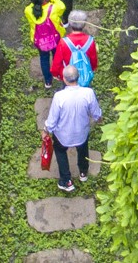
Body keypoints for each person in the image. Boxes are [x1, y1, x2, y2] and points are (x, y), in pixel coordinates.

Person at [44, 62, 103, 192]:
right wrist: (99, 119)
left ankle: (66, 180)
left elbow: (52, 119)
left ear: (64, 79)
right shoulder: (88, 93)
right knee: (83, 149)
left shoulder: (59, 97)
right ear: (78, 77)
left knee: (60, 151)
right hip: (81, 132)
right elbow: (96, 113)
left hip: (63, 135)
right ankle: (83, 172)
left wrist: (46, 130)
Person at [22, 0, 66, 93]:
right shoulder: (53, 8)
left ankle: (48, 81)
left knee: (44, 59)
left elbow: (34, 6)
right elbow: (62, 6)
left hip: (40, 42)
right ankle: (58, 74)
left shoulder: (28, 11)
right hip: (55, 39)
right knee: (57, 57)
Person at [52, 9, 99, 87]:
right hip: (85, 73)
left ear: (70, 24)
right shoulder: (90, 41)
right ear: (84, 24)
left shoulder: (63, 42)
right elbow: (93, 59)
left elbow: (57, 61)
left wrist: (55, 73)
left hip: (69, 75)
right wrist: (93, 68)